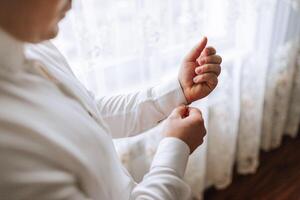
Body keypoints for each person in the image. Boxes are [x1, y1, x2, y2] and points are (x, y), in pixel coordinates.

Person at [0, 0, 222, 199]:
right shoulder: (7, 144)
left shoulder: (32, 43)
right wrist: (176, 147)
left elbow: (89, 111)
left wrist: (178, 91)